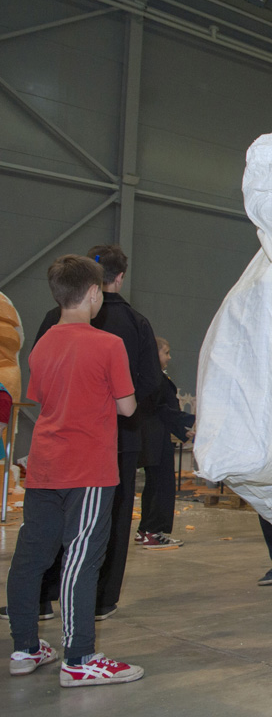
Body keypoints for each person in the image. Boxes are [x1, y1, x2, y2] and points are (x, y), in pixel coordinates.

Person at [6, 255, 143, 686]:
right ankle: (79, 658)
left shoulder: (42, 344)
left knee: (31, 558)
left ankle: (25, 648)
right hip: (89, 470)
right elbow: (127, 407)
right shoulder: (108, 344)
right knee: (81, 559)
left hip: (45, 466)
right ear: (94, 293)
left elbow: (43, 398)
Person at [32, 244, 160, 620]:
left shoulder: (55, 318)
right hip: (117, 438)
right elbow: (150, 382)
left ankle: (43, 596)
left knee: (52, 523)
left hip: (61, 438)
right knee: (108, 523)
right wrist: (121, 401)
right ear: (120, 277)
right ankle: (100, 600)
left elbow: (39, 375)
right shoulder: (136, 323)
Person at [136, 338, 195, 549]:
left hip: (154, 437)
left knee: (153, 485)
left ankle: (145, 529)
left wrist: (183, 430)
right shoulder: (154, 379)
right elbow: (163, 410)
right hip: (156, 438)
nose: (169, 357)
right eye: (166, 352)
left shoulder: (151, 377)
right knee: (162, 485)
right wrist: (190, 422)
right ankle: (154, 532)